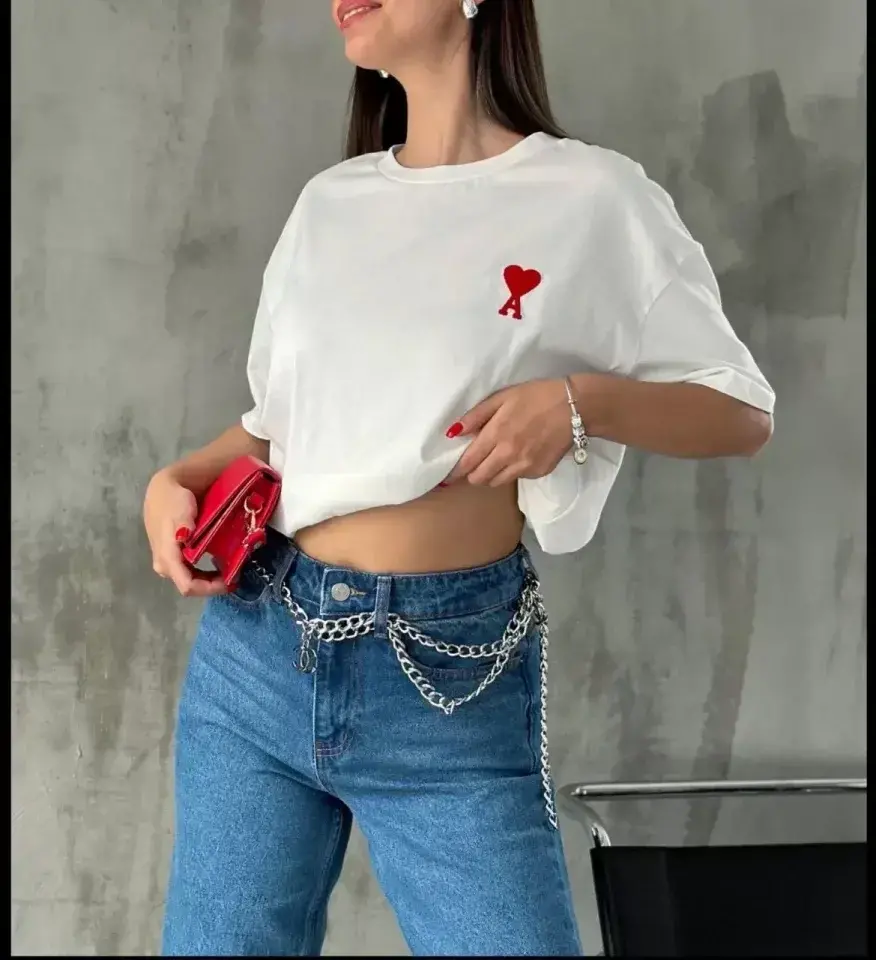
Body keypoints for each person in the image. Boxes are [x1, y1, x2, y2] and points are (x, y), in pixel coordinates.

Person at [145, 0, 776, 955]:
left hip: (448, 672)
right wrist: (176, 480)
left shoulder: (591, 197)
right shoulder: (330, 204)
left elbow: (741, 411)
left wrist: (578, 403)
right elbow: (279, 427)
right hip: (258, 651)